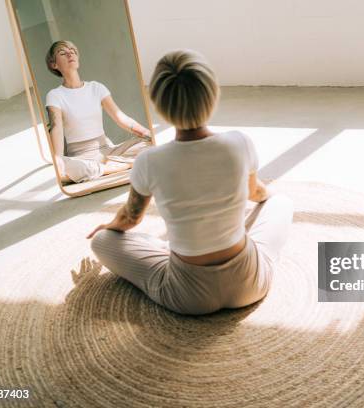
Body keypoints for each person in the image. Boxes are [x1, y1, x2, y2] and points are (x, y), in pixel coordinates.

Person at [87, 50, 294, 315]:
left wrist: (109, 227)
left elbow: (130, 219)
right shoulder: (239, 143)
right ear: (212, 95)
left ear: (159, 105)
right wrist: (265, 198)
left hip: (187, 298)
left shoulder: (149, 161)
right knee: (281, 201)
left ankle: (171, 249)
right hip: (250, 286)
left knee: (101, 241)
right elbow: (256, 192)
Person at [45, 40, 151, 184]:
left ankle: (106, 168)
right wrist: (58, 158)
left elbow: (121, 117)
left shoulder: (96, 88)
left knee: (149, 144)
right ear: (54, 64)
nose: (70, 53)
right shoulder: (55, 95)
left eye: (73, 50)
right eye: (62, 52)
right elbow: (56, 127)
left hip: (107, 151)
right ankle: (125, 165)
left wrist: (148, 134)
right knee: (72, 167)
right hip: (81, 157)